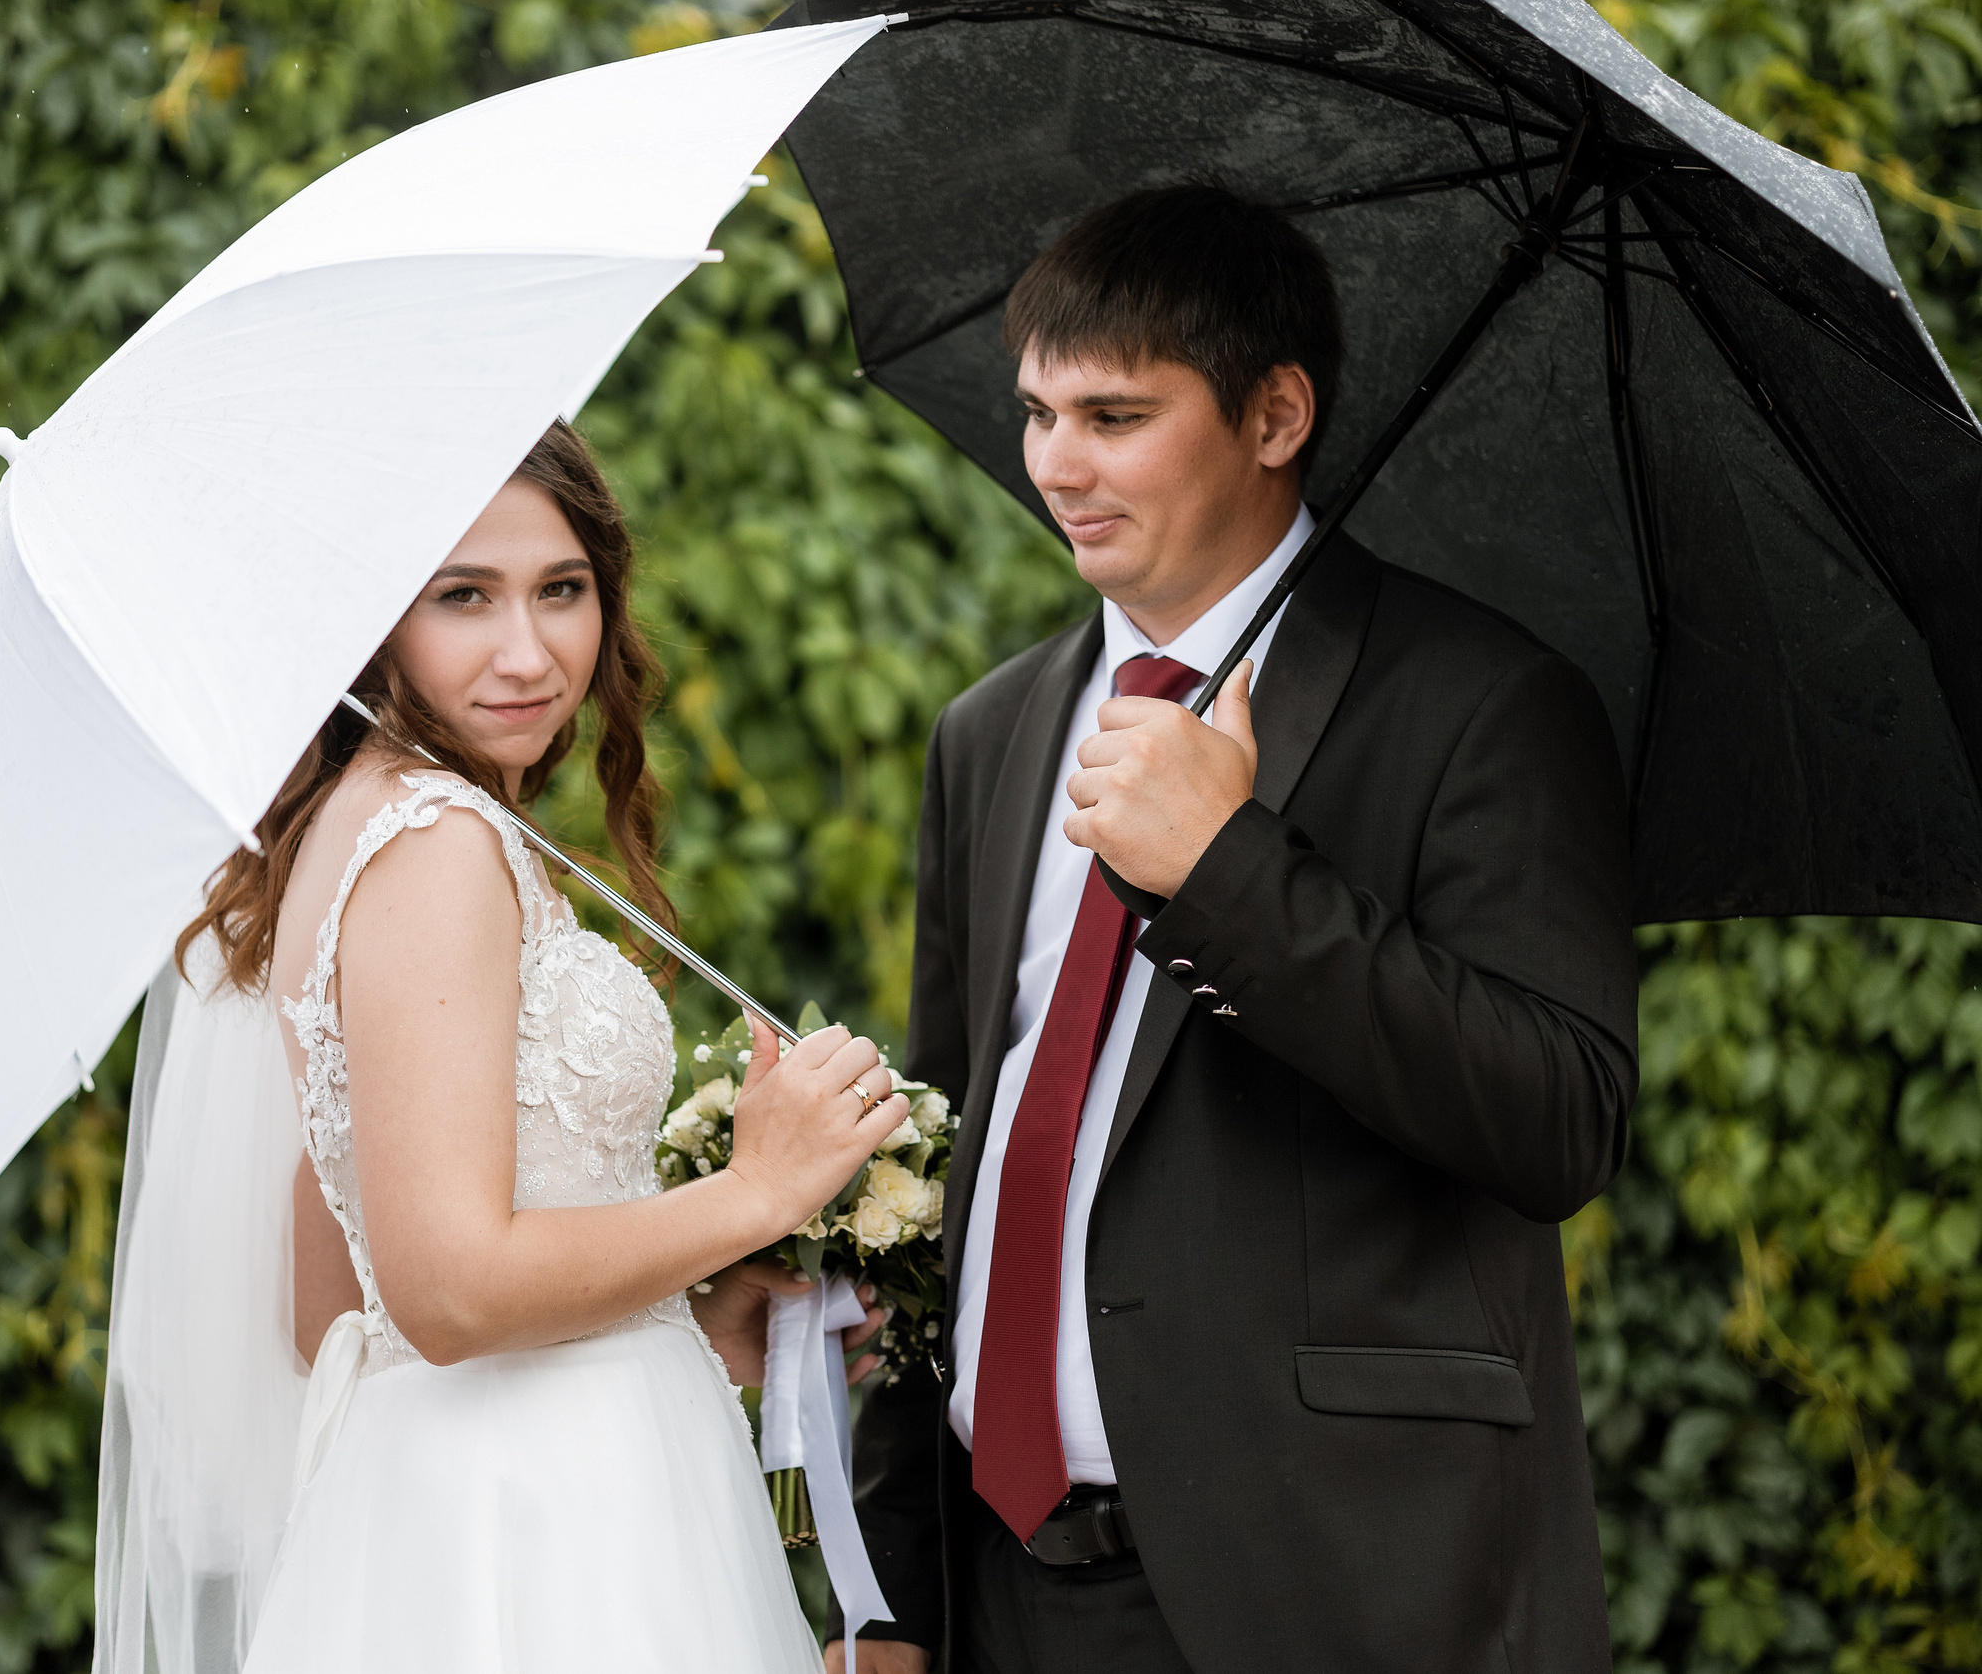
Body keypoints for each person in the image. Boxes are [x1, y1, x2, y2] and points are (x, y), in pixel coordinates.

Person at [833, 186, 1636, 1672]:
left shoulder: (1488, 703)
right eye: (1039, 412)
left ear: (1275, 416)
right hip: (1004, 1587)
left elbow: (1559, 1120)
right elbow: (956, 1162)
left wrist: (1228, 869)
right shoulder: (989, 731)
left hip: (1330, 1587)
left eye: (1115, 416)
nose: (1056, 463)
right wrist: (893, 1589)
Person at [96, 420, 910, 1674]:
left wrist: (685, 1314)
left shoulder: (360, 824)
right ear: (374, 619)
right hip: (543, 1525)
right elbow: (448, 1293)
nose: (528, 653)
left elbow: (330, 1304)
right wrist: (755, 1192)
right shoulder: (434, 842)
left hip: (455, 1492)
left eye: (562, 590)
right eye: (463, 596)